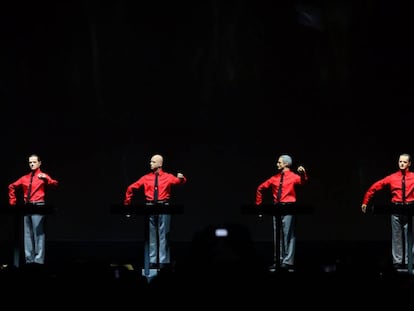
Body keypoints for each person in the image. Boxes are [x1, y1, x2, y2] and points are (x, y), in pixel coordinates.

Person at [124, 154, 187, 269]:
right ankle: (152, 261)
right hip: (150, 206)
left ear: (160, 164)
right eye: (151, 161)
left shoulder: (167, 177)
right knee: (151, 235)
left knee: (164, 235)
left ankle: (163, 262)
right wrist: (127, 205)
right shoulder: (146, 177)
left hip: (164, 206)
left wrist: (181, 178)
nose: (150, 163)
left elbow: (179, 182)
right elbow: (130, 188)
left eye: (153, 162)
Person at [361, 153, 414, 270]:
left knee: (410, 236)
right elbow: (375, 186)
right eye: (400, 161)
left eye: (405, 162)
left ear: (409, 163)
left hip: (410, 209)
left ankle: (409, 261)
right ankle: (398, 263)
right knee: (396, 236)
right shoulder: (393, 177)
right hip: (396, 209)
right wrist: (366, 201)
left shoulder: (413, 177)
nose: (402, 164)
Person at [255, 154, 308, 271]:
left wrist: (303, 173)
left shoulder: (293, 176)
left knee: (288, 234)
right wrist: (259, 207)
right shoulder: (274, 178)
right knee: (277, 235)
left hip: (288, 207)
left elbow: (302, 181)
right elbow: (260, 188)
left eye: (279, 162)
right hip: (277, 207)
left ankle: (288, 262)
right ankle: (278, 260)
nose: (277, 164)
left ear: (286, 164)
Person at [8, 154, 59, 265]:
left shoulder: (43, 176)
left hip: (39, 205)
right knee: (27, 234)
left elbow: (55, 184)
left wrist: (46, 179)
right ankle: (29, 260)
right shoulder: (25, 178)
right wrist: (13, 202)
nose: (32, 164)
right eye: (30, 162)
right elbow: (11, 186)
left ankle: (39, 260)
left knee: (39, 233)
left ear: (39, 163)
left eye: (34, 162)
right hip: (27, 206)